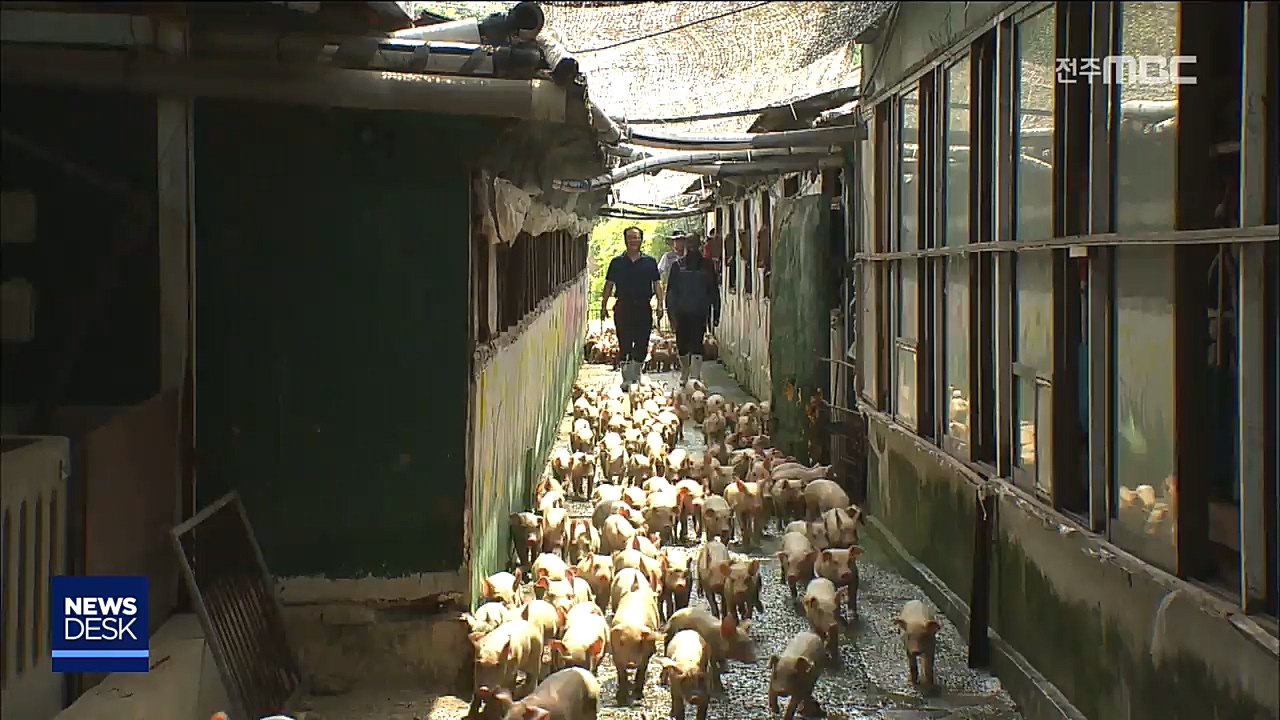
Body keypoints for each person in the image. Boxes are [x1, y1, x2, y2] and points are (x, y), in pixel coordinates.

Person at [600, 226, 662, 390]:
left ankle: (637, 375)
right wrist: (604, 305)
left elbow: (657, 284)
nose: (633, 241)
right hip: (623, 306)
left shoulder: (649, 262)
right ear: (625, 240)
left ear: (641, 240)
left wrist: (660, 305)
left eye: (636, 237)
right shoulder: (617, 262)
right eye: (630, 238)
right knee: (624, 341)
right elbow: (608, 285)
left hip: (643, 306)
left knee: (642, 341)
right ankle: (626, 378)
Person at [664, 234, 720, 384]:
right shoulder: (677, 266)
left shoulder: (707, 266)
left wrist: (716, 311)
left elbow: (713, 289)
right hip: (681, 312)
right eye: (689, 242)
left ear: (700, 244)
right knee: (682, 345)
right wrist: (670, 313)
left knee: (697, 343)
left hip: (700, 311)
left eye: (694, 242)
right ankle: (685, 371)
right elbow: (671, 291)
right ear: (685, 245)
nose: (691, 245)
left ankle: (695, 376)